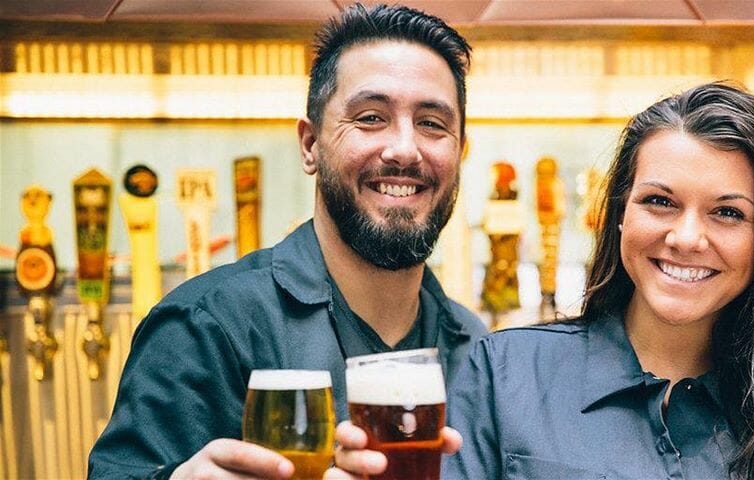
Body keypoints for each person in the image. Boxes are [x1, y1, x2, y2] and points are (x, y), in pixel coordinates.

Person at [327, 82, 754, 479]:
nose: (686, 237)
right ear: (620, 215)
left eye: (727, 212)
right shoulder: (503, 373)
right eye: (659, 202)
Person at [87, 4, 486, 479]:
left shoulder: (475, 347)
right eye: (370, 117)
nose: (404, 148)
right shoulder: (207, 327)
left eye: (432, 124)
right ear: (310, 145)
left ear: (459, 152)